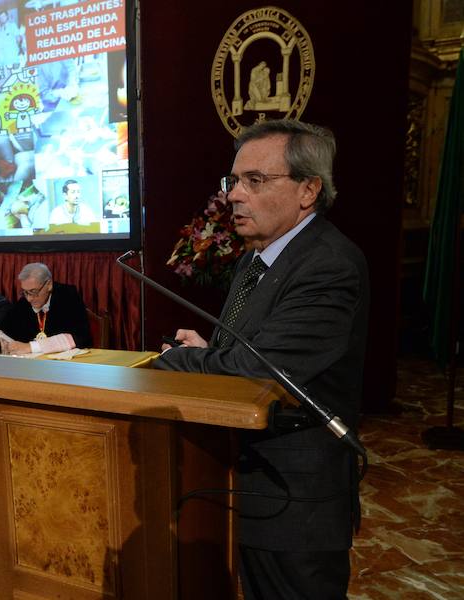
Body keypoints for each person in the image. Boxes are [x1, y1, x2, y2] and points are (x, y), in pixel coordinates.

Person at [153, 119, 369, 599]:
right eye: (233, 180)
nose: (233, 195)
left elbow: (261, 370)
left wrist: (179, 361)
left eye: (254, 180)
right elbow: (251, 350)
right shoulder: (258, 257)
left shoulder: (328, 264)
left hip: (295, 505)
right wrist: (209, 352)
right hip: (248, 485)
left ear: (308, 190)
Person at [0, 262, 91, 354]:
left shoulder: (68, 296)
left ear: (49, 285)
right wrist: (2, 341)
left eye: (33, 291)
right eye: (25, 292)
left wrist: (31, 347)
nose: (29, 299)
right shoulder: (24, 302)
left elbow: (78, 337)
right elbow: (4, 329)